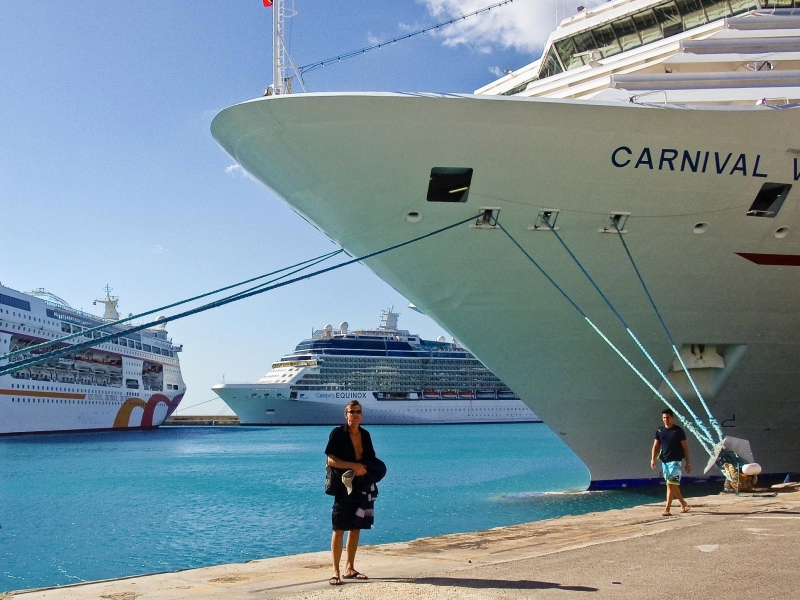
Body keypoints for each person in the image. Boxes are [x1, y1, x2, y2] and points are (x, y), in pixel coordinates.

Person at [325, 400, 375, 586]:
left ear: (361, 415)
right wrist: (353, 465)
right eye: (351, 411)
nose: (355, 414)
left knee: (356, 527)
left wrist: (373, 471)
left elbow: (370, 458)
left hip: (361, 485)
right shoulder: (337, 433)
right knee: (338, 529)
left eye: (358, 411)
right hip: (343, 486)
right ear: (345, 414)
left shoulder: (365, 435)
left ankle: (350, 568)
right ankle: (335, 571)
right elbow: (331, 460)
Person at [651, 408, 691, 516]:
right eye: (664, 417)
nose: (665, 420)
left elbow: (685, 447)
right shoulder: (660, 430)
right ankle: (683, 503)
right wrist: (652, 459)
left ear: (672, 418)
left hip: (675, 461)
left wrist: (688, 462)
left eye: (667, 417)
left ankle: (667, 509)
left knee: (670, 484)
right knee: (672, 484)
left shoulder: (678, 431)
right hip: (664, 461)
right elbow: (656, 445)